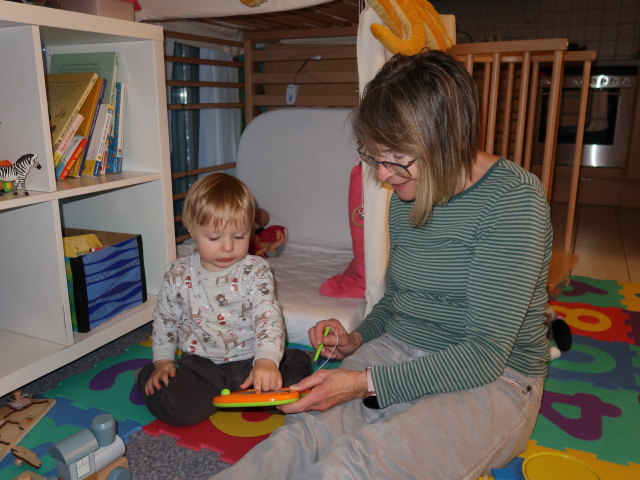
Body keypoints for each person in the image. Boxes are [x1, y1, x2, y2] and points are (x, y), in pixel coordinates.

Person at [211, 49, 552, 480]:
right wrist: (356, 339)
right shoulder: (405, 195)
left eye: (396, 159)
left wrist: (363, 383)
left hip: (495, 378)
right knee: (300, 437)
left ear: (447, 141)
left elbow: (483, 355)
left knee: (358, 464)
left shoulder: (513, 203)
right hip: (399, 351)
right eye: (374, 156)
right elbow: (397, 301)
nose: (384, 175)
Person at [137, 173, 311, 426]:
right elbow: (165, 320)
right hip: (200, 364)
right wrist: (162, 361)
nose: (228, 247)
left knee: (290, 398)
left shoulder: (256, 270)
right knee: (180, 410)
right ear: (192, 230)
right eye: (215, 238)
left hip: (253, 358)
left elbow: (267, 317)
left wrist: (266, 361)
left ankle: (293, 358)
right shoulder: (177, 274)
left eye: (239, 236)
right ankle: (146, 374)